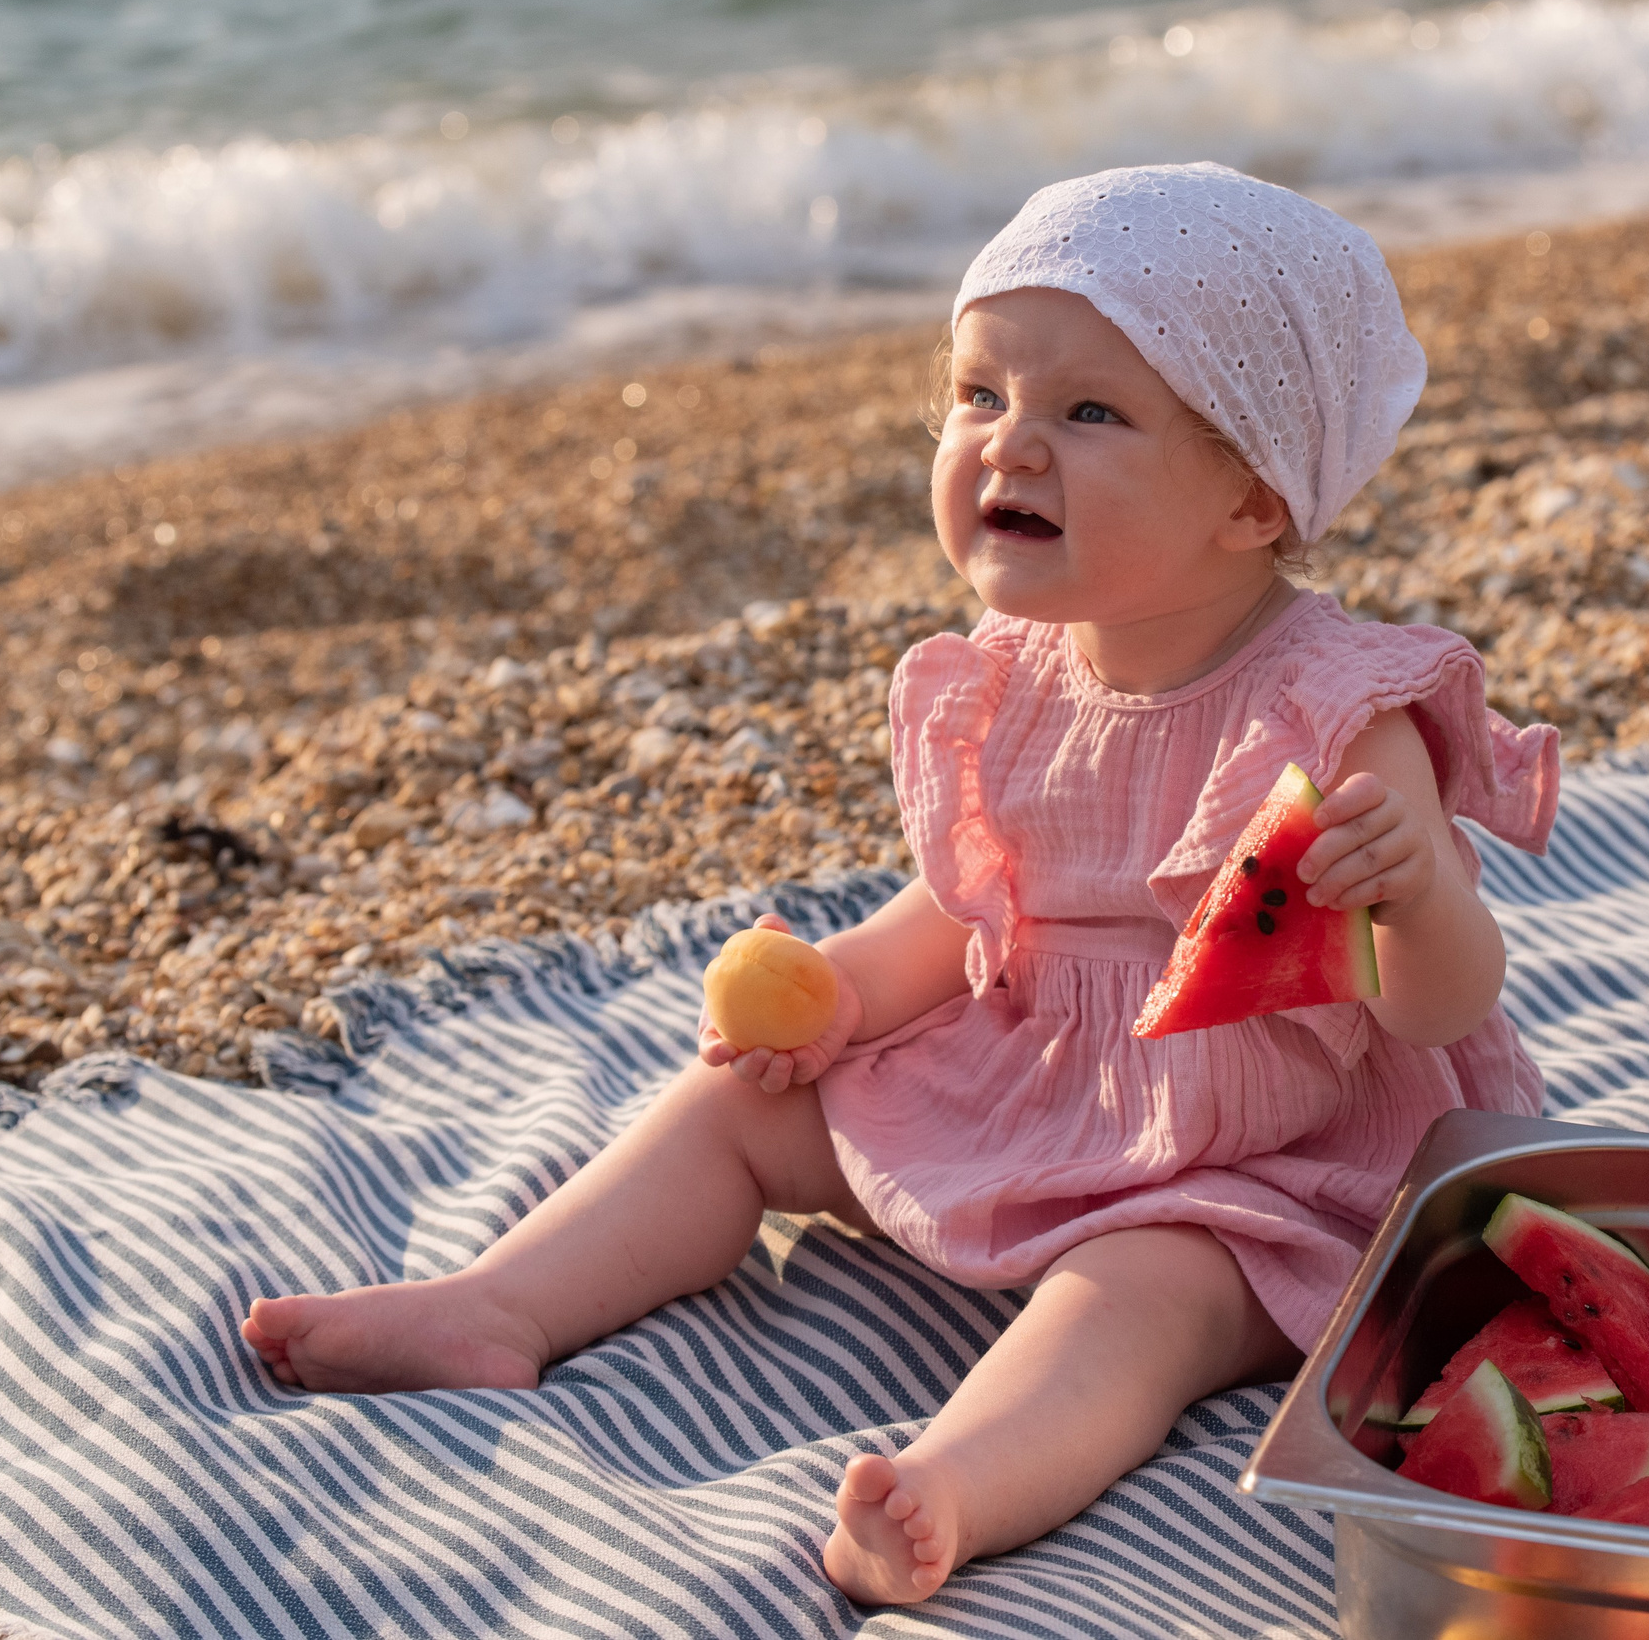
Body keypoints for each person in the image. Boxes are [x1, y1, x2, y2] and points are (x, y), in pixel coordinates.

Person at [242, 161, 1559, 1604]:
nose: (1010, 446)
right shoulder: (1012, 673)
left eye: (1087, 412)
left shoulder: (1336, 708)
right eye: (979, 395)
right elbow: (971, 912)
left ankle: (952, 1487)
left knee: (1139, 1298)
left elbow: (1445, 1008)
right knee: (739, 1105)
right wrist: (843, 1000)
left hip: (1266, 1155)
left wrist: (1422, 893)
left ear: (1251, 498)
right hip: (1039, 1071)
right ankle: (496, 1304)